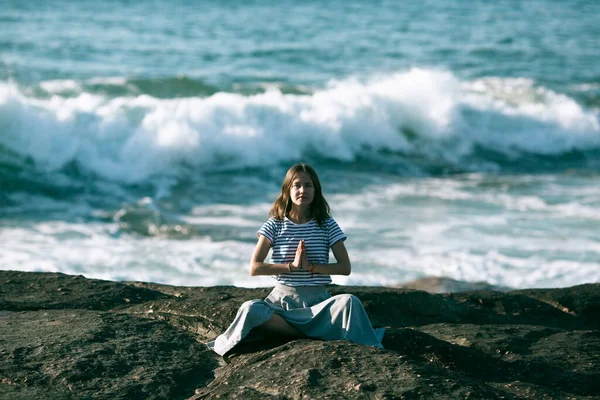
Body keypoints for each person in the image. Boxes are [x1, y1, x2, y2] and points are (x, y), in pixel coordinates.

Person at [207, 163, 384, 356]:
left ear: (316, 190)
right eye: (297, 185)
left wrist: (311, 267)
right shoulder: (274, 224)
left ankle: (301, 333)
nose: (302, 190)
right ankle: (310, 334)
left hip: (317, 307)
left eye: (308, 185)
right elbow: (255, 267)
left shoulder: (326, 224)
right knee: (251, 309)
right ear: (287, 190)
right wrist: (291, 266)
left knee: (350, 302)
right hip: (282, 307)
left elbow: (345, 267)